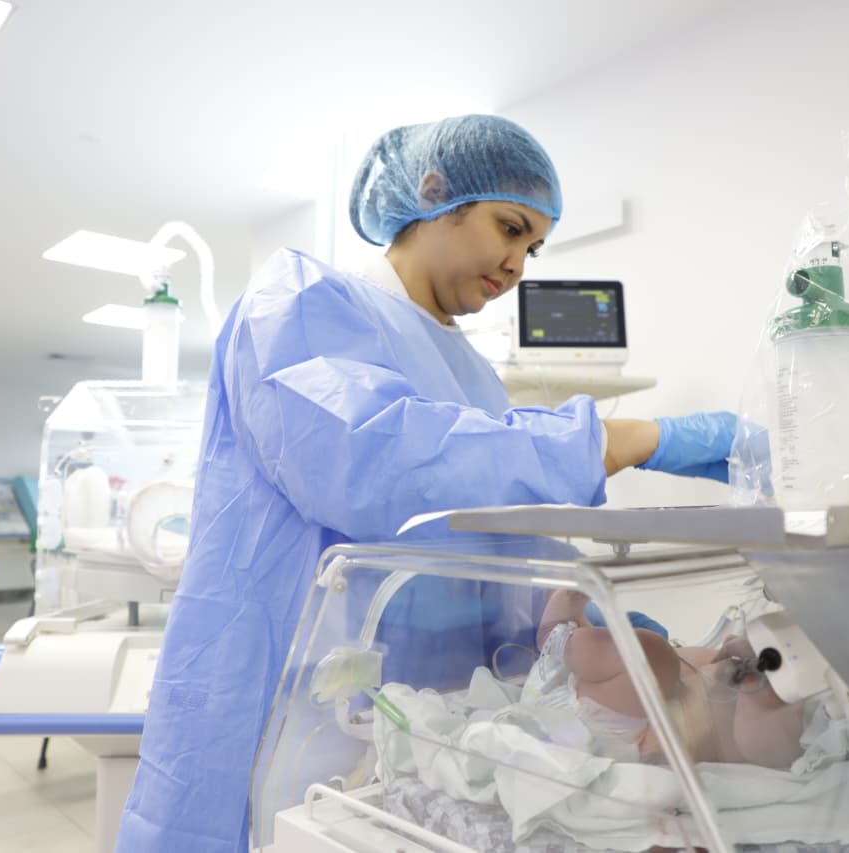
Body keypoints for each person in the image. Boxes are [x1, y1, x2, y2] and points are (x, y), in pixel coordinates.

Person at [116, 114, 746, 852]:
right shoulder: (300, 301)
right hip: (288, 699)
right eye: (509, 228)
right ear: (433, 195)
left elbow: (491, 535)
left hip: (428, 734)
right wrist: (615, 439)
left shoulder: (472, 371)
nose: (518, 264)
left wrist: (576, 617)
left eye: (533, 248)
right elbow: (369, 460)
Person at [527, 589, 807, 770]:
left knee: (655, 656)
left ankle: (557, 638)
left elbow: (771, 750)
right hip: (634, 703)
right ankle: (578, 640)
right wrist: (743, 653)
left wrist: (765, 690)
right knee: (675, 660)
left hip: (614, 732)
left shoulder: (793, 730)